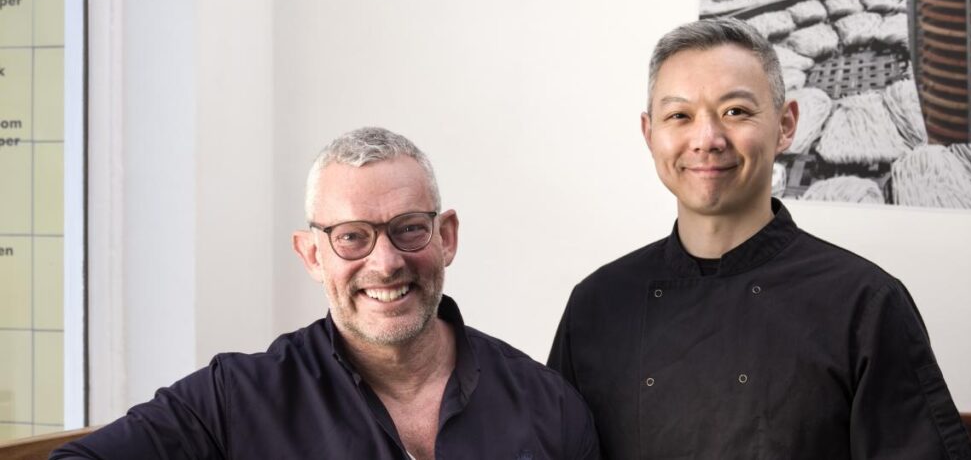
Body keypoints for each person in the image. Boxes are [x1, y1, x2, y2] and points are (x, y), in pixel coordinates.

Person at [547, 18, 971, 459]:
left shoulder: (864, 304)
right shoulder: (597, 305)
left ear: (786, 125)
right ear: (650, 134)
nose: (707, 139)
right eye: (679, 116)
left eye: (735, 112)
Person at [54, 127, 599, 460]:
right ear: (312, 254)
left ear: (446, 236)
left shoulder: (548, 405)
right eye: (352, 237)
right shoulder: (236, 399)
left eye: (409, 228)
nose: (385, 263)